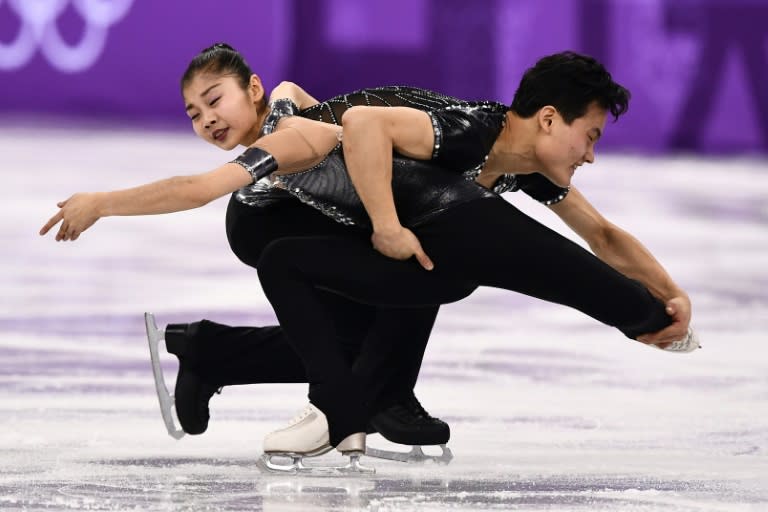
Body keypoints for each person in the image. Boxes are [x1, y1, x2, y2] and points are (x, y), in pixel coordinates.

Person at [39, 45, 697, 470]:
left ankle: (229, 357)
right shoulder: (450, 130)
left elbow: (603, 235)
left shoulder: (522, 161)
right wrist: (103, 200)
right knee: (407, 243)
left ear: (254, 89)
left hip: (353, 215)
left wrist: (670, 294)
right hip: (272, 220)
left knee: (386, 290)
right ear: (551, 120)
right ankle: (356, 400)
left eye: (215, 100)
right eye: (194, 112)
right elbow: (221, 179)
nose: (206, 119)